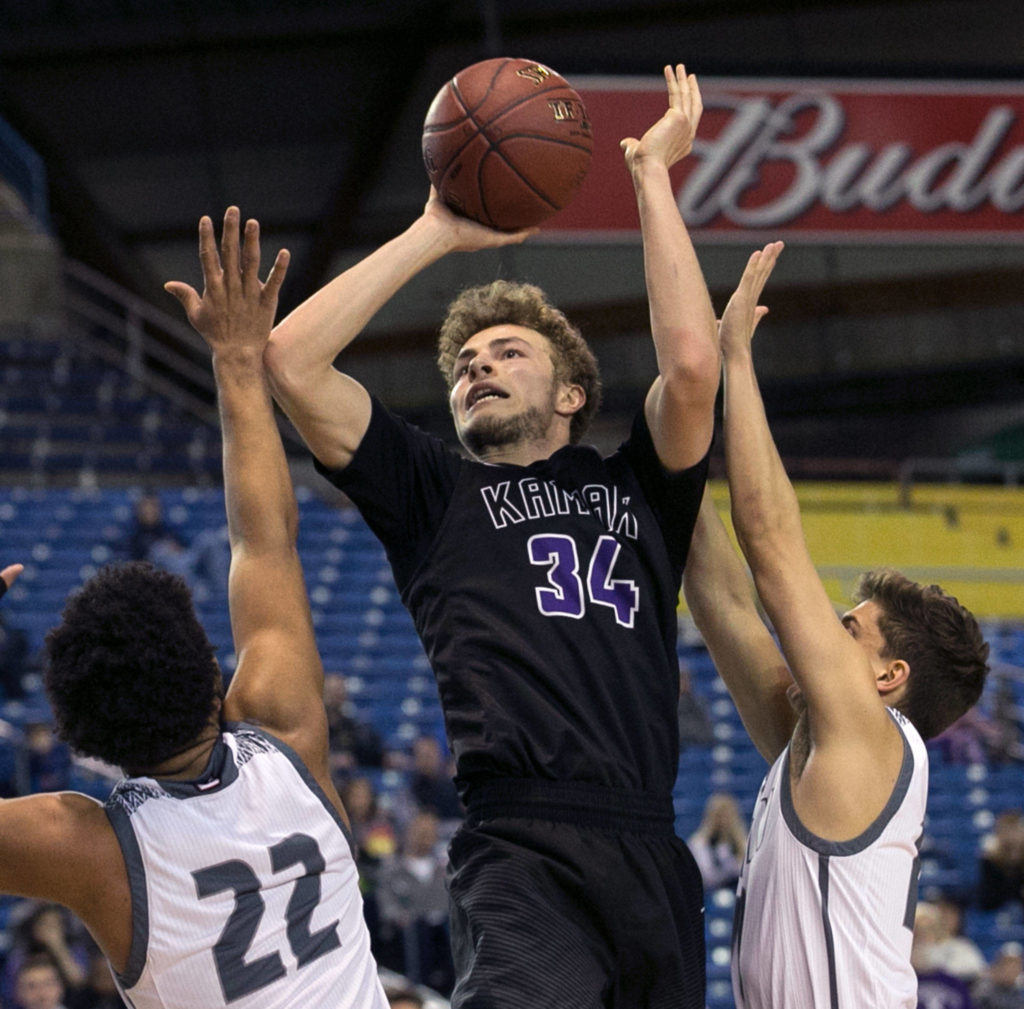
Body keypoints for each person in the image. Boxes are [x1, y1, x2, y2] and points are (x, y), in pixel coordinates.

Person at [266, 65, 717, 1008]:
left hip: (650, 845)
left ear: (571, 394)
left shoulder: (636, 484)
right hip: (520, 843)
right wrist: (437, 229)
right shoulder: (434, 493)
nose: (477, 367)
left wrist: (650, 178)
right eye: (465, 362)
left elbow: (689, 363)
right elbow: (291, 362)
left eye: (508, 352)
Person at [0, 209, 387, 1009]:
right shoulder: (287, 731)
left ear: (88, 740)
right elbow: (264, 540)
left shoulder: (94, 848)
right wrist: (240, 361)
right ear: (215, 674)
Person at [681, 243, 990, 1008]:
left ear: (889, 678)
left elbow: (772, 543)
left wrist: (737, 365)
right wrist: (674, 428)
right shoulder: (812, 751)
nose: (822, 629)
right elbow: (724, 603)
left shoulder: (873, 741)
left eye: (849, 628)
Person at [323, 672, 384, 773]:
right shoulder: (314, 727)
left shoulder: (352, 727)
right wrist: (331, 760)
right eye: (331, 692)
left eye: (340, 692)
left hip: (348, 778)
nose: (335, 697)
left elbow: (369, 754)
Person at [687, 792, 747, 891]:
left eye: (727, 816)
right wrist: (729, 868)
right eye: (719, 816)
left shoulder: (744, 843)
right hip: (709, 894)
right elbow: (706, 876)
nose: (723, 821)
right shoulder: (698, 843)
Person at [973, 942, 1024, 1009]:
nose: (1011, 968)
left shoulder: (1017, 989)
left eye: (1016, 964)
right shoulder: (984, 988)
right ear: (998, 964)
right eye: (1008, 963)